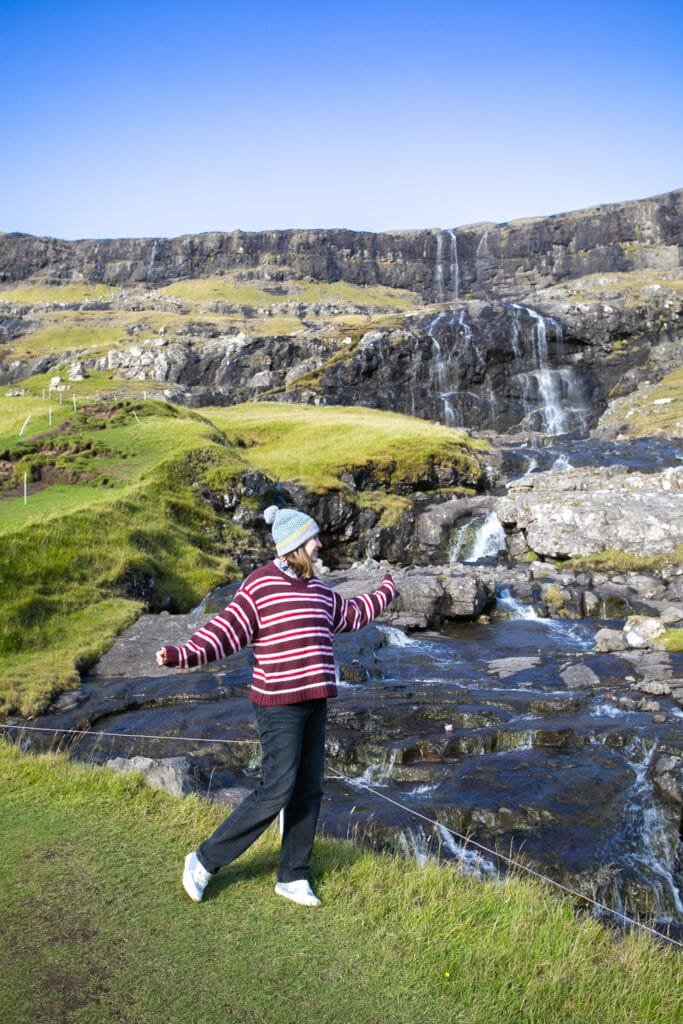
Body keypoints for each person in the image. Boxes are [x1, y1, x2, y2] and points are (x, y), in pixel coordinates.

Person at [156, 504, 399, 907]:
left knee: (308, 789)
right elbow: (226, 631)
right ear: (296, 545)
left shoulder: (320, 591)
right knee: (276, 790)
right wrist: (182, 654)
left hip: (315, 702)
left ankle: (293, 876)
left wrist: (386, 591)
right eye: (313, 539)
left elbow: (353, 614)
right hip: (278, 706)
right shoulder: (260, 585)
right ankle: (202, 860)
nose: (320, 545)